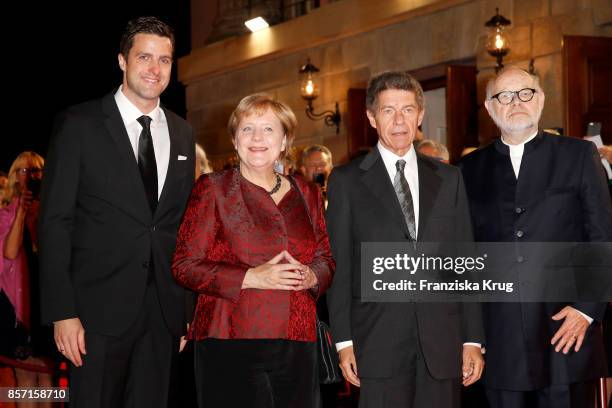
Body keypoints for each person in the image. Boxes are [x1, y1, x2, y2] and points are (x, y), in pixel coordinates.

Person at [38, 16, 195, 408]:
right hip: (94, 315)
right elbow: (55, 222)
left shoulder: (182, 132)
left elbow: (180, 225)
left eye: (164, 59)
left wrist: (184, 310)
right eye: (144, 57)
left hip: (162, 314)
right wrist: (63, 312)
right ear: (122, 61)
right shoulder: (78, 124)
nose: (155, 69)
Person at [325, 71, 485, 408]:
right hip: (376, 342)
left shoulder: (449, 177)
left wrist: (472, 339)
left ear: (420, 115)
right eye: (388, 111)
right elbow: (340, 268)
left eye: (408, 110)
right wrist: (344, 342)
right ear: (371, 117)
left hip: (441, 343)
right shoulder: (347, 181)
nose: (399, 120)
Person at [459, 66, 612, 408]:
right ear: (489, 107)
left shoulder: (579, 155)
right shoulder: (468, 170)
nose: (517, 102)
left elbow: (602, 238)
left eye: (526, 93)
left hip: (566, 331)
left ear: (541, 100)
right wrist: (471, 337)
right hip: (499, 338)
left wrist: (587, 310)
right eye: (505, 96)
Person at [172, 93, 334, 408]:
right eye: (247, 129)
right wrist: (250, 277)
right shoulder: (212, 188)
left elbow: (326, 258)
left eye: (268, 129)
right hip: (230, 339)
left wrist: (312, 276)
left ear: (285, 140)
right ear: (234, 139)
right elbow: (184, 265)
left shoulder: (308, 193)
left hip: (298, 341)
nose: (257, 138)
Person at [0, 152, 55, 408]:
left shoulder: (53, 211)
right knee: (24, 377)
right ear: (13, 176)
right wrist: (21, 212)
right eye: (23, 170)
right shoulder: (5, 212)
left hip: (48, 303)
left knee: (48, 380)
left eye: (35, 170)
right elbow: (9, 252)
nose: (30, 176)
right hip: (18, 308)